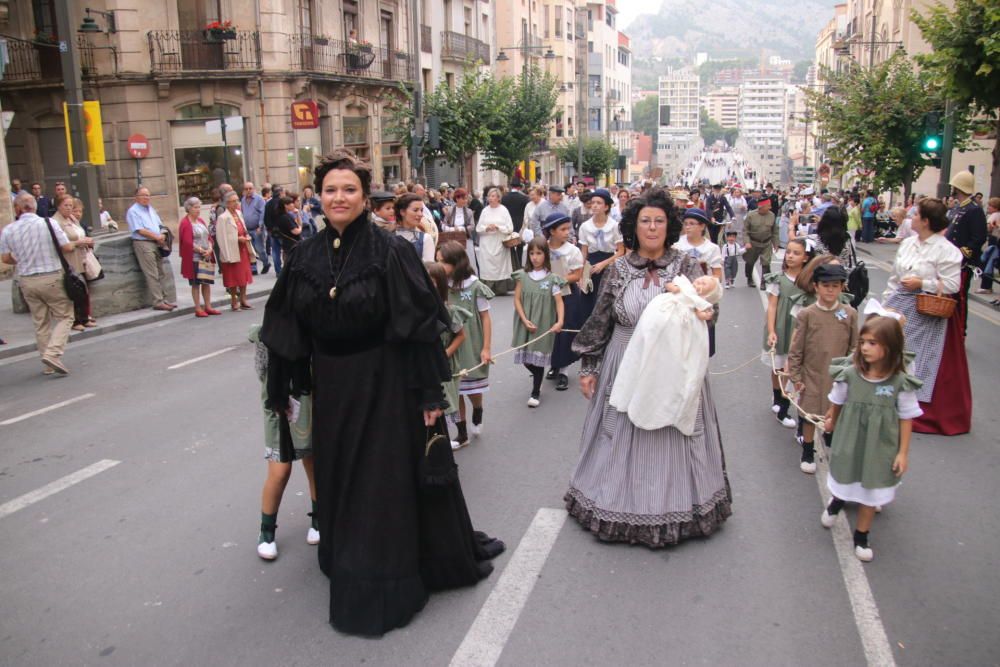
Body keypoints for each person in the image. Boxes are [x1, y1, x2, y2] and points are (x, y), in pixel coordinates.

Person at [260, 152, 500, 635]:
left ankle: (383, 567)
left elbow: (417, 327)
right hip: (332, 383)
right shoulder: (305, 255)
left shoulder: (389, 251)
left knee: (381, 475)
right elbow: (283, 322)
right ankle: (345, 548)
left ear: (366, 198)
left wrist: (431, 396)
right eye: (330, 190)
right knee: (342, 471)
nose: (339, 198)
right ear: (318, 198)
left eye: (348, 190)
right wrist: (286, 385)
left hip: (386, 381)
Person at [565, 188, 731, 547]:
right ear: (633, 227)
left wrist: (708, 310)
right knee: (620, 432)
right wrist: (589, 367)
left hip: (674, 364)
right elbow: (600, 322)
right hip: (625, 360)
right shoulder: (620, 269)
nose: (652, 228)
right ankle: (616, 505)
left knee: (674, 431)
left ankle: (676, 507)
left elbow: (707, 306)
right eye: (645, 222)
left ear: (669, 226)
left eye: (659, 221)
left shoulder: (686, 265)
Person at [821, 314, 922, 562]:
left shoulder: (900, 382)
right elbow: (837, 401)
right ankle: (838, 500)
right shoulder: (851, 374)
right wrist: (832, 419)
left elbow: (906, 417)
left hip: (880, 445)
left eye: (873, 343)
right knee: (846, 472)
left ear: (890, 347)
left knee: (872, 487)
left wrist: (902, 452)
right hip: (850, 438)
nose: (864, 347)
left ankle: (862, 534)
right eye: (863, 341)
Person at [882, 197, 969, 435]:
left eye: (917, 215)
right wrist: (886, 303)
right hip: (900, 304)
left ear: (927, 221)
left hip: (925, 310)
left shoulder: (947, 250)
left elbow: (952, 284)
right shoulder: (908, 243)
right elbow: (894, 276)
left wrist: (923, 282)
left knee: (918, 358)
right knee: (892, 352)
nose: (913, 218)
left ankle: (913, 406)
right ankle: (887, 400)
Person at [249, 323, 318, 561]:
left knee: (313, 463)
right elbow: (261, 372)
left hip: (309, 403)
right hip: (277, 406)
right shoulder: (265, 332)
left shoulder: (315, 328)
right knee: (280, 470)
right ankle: (266, 531)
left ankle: (318, 520)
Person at [787, 263, 859, 474]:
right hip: (812, 373)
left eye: (835, 285)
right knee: (810, 415)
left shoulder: (849, 313)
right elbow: (797, 347)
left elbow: (856, 345)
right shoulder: (807, 314)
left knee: (836, 414)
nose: (830, 290)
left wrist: (850, 370)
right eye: (825, 285)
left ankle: (833, 448)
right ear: (816, 287)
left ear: (842, 288)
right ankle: (808, 450)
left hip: (840, 376)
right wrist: (796, 375)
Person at [1, 193, 76, 375]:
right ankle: (53, 353)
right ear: (34, 207)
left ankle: (48, 365)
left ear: (17, 209)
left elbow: (5, 258)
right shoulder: (49, 223)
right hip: (51, 276)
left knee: (40, 322)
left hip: (26, 280)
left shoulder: (8, 230)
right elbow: (66, 247)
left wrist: (21, 258)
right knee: (65, 316)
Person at [438, 240, 494, 447]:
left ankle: (478, 409)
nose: (439, 266)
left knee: (472, 389)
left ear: (456, 262)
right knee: (456, 387)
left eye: (442, 261)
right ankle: (461, 434)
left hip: (472, 340)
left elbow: (486, 318)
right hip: (452, 340)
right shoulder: (441, 284)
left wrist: (486, 348)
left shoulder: (475, 285)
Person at [762, 238, 813, 427]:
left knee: (791, 367)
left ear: (806, 258)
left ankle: (785, 401)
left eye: (796, 253)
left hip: (799, 327)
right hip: (781, 326)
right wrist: (771, 329)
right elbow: (772, 306)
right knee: (778, 365)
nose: (790, 256)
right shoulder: (779, 278)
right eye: (789, 252)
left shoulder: (808, 282)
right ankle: (777, 397)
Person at [511, 237, 565, 407]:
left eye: (539, 253)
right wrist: (524, 319)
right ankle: (538, 378)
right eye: (532, 253)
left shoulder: (552, 279)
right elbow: (517, 300)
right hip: (525, 323)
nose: (535, 257)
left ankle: (535, 392)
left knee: (537, 359)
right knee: (527, 360)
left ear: (546, 255)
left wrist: (560, 321)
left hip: (543, 324)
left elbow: (559, 302)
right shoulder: (522, 276)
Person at [425, 261, 471, 449]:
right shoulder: (416, 311)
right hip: (426, 365)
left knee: (446, 401)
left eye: (433, 282)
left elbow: (461, 336)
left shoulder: (449, 311)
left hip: (446, 365)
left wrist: (445, 354)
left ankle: (460, 433)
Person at [543, 212, 584, 392]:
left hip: (568, 294)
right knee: (551, 330)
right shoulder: (541, 248)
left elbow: (577, 275)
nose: (568, 232)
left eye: (569, 228)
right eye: (563, 229)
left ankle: (564, 371)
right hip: (546, 296)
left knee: (565, 331)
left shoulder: (572, 251)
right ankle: (554, 364)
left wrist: (559, 279)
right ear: (552, 231)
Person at [945, 170, 988, 334]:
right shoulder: (958, 208)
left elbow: (979, 237)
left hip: (963, 262)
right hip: (951, 260)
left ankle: (960, 330)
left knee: (960, 298)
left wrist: (964, 253)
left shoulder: (974, 210)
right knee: (952, 297)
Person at [126, 187, 176, 311]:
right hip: (144, 243)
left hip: (157, 242)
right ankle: (158, 301)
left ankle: (165, 299)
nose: (146, 198)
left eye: (148, 195)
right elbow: (140, 230)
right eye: (143, 195)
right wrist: (157, 236)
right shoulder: (133, 211)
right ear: (136, 197)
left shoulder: (151, 209)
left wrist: (163, 235)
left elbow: (160, 225)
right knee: (152, 273)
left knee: (161, 272)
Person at [52, 194, 96, 331]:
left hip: (81, 257)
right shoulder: (56, 221)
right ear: (58, 206)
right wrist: (80, 242)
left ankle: (84, 317)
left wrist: (87, 241)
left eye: (71, 205)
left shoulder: (72, 218)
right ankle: (75, 320)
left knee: (84, 289)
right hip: (69, 259)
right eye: (66, 205)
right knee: (73, 290)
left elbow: (80, 233)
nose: (69, 208)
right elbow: (63, 244)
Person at [577, 188, 624, 312]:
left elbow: (621, 251)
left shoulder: (614, 226)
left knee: (606, 300)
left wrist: (603, 264)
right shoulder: (585, 226)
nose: (595, 206)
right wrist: (581, 274)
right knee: (589, 300)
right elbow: (584, 252)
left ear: (606, 207)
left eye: (599, 203)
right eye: (593, 203)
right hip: (591, 265)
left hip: (609, 264)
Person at [178, 197, 220, 318]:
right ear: (189, 209)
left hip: (206, 255)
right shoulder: (185, 223)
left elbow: (208, 237)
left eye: (199, 207)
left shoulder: (201, 221)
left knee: (206, 282)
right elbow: (187, 242)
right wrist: (201, 250)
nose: (198, 210)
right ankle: (197, 307)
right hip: (195, 258)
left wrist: (210, 249)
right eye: (195, 207)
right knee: (196, 284)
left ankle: (208, 306)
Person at [216, 190, 255, 311]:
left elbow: (243, 228)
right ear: (227, 203)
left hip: (243, 249)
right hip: (232, 250)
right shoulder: (223, 218)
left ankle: (243, 299)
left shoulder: (239, 213)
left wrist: (246, 236)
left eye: (237, 200)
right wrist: (237, 239)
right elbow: (221, 237)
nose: (236, 203)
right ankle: (234, 301)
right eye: (233, 201)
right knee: (233, 277)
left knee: (243, 275)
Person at [475, 187, 514, 295]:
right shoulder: (485, 211)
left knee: (500, 264)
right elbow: (478, 228)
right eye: (489, 196)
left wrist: (498, 227)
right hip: (487, 242)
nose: (490, 198)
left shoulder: (503, 210)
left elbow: (510, 227)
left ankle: (501, 287)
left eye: (493, 196)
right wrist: (487, 228)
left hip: (499, 241)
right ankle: (487, 287)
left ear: (498, 198)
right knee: (487, 265)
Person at [743, 196, 779, 288]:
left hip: (766, 243)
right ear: (761, 207)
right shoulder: (751, 215)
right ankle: (749, 278)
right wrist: (747, 242)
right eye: (768, 206)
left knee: (766, 263)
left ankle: (764, 282)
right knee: (750, 262)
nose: (770, 207)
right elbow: (745, 230)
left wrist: (776, 243)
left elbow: (775, 231)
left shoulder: (772, 215)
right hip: (753, 243)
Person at [394, 193, 436, 262]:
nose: (420, 214)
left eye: (421, 210)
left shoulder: (425, 239)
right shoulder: (390, 236)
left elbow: (429, 268)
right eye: (415, 210)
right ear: (402, 212)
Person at [242, 182, 269, 275]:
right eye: (246, 189)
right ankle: (254, 268)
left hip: (257, 228)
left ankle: (266, 263)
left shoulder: (259, 199)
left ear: (253, 189)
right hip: (247, 229)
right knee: (250, 250)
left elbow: (263, 213)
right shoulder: (243, 200)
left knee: (259, 249)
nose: (248, 191)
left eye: (250, 188)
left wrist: (260, 226)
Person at [976, 197, 1000, 296]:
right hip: (996, 241)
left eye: (990, 206)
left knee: (986, 264)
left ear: (996, 207)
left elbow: (988, 228)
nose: (988, 207)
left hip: (993, 241)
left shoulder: (994, 215)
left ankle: (986, 286)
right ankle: (987, 286)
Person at [272, 194, 303, 262]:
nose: (293, 204)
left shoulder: (285, 216)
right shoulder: (285, 217)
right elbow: (295, 231)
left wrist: (298, 214)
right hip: (292, 246)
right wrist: (300, 228)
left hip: (288, 246)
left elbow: (298, 223)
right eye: (291, 203)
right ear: (286, 205)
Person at [263, 184, 284, 273]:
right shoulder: (282, 203)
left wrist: (269, 228)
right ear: (280, 193)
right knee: (286, 251)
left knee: (275, 252)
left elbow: (265, 218)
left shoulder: (268, 204)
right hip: (282, 231)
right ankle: (285, 271)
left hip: (272, 231)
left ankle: (278, 270)